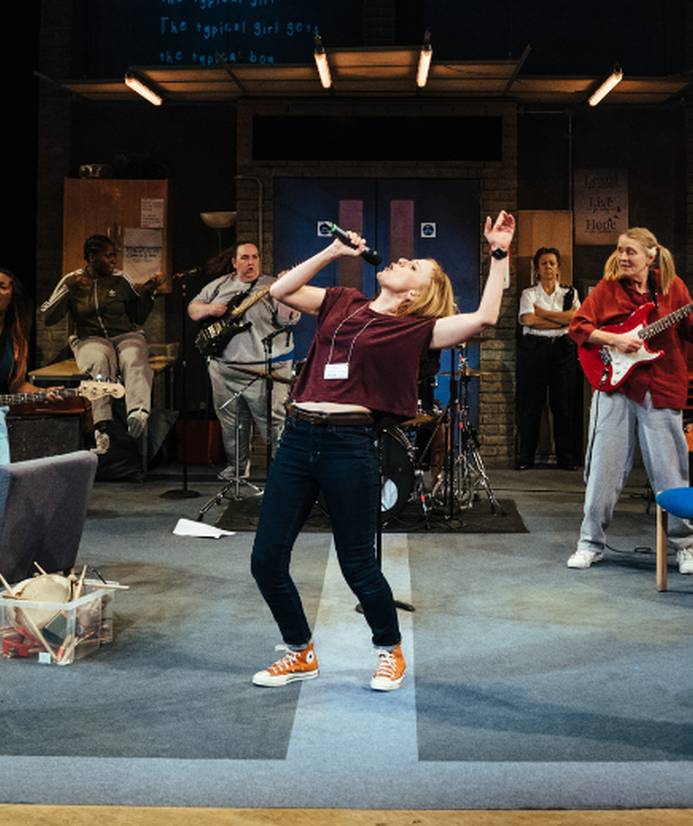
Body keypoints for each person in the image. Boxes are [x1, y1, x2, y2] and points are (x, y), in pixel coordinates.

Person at [249, 210, 515, 691]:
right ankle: (299, 651)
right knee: (265, 561)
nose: (401, 260)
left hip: (348, 446)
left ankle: (389, 650)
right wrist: (333, 252)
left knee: (358, 565)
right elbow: (280, 291)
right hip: (297, 438)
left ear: (415, 293)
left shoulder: (416, 331)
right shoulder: (342, 300)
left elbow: (486, 317)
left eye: (413, 265)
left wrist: (499, 252)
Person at [567, 227, 693, 571]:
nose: (623, 257)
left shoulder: (673, 288)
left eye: (630, 252)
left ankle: (685, 546)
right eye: (620, 250)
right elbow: (578, 327)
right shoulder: (607, 290)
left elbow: (689, 332)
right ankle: (590, 543)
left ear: (650, 256)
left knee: (671, 472)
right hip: (615, 387)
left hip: (663, 385)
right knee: (603, 471)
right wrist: (614, 339)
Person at [41, 235, 164, 455]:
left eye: (114, 255)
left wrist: (149, 291)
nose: (114, 260)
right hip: (90, 338)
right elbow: (48, 317)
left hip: (126, 335)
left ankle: (138, 412)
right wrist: (69, 290)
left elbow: (138, 316)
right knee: (99, 361)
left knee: (135, 357)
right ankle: (101, 429)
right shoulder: (72, 280)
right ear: (92, 257)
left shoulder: (121, 280)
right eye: (108, 256)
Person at [187, 242, 299, 480]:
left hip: (264, 371)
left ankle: (284, 475)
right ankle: (236, 469)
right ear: (235, 262)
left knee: (274, 425)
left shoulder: (272, 286)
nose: (251, 263)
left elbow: (287, 320)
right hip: (224, 368)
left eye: (255, 257)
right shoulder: (221, 284)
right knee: (231, 424)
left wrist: (287, 291)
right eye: (245, 257)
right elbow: (193, 309)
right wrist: (210, 309)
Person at [517, 247, 580, 470]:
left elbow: (574, 321)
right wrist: (560, 320)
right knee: (531, 406)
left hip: (561, 351)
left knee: (562, 407)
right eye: (543, 263)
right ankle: (526, 458)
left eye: (551, 263)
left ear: (558, 267)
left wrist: (543, 313)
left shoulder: (569, 293)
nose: (548, 267)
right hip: (534, 351)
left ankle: (566, 459)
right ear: (537, 268)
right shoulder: (529, 294)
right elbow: (529, 321)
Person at [0, 268, 62, 461]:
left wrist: (42, 393)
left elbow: (17, 385)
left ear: (13, 296)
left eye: (1, 287)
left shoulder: (16, 339)